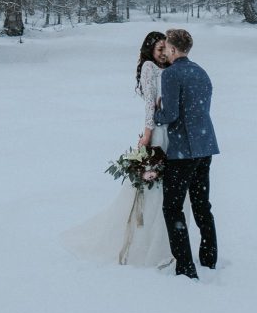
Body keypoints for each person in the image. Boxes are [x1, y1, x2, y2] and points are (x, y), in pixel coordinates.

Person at [62, 31, 175, 268]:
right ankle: (145, 243)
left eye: (166, 47)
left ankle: (165, 241)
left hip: (169, 131)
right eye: (159, 49)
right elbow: (149, 104)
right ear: (150, 51)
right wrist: (147, 134)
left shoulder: (168, 67)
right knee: (154, 187)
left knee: (167, 187)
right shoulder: (149, 68)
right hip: (157, 131)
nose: (164, 52)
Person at [154, 28, 219, 279]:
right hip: (206, 146)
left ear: (172, 49)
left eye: (167, 48)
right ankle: (209, 258)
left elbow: (170, 115)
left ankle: (185, 267)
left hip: (183, 151)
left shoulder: (171, 74)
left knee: (172, 207)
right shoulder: (201, 72)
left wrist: (157, 112)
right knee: (202, 204)